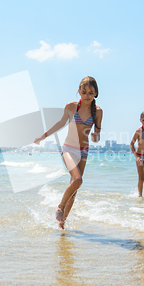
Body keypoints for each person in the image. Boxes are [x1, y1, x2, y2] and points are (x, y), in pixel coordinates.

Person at [34, 76, 103, 229]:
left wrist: (95, 137)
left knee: (74, 189)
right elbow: (60, 123)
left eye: (91, 92)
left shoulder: (98, 111)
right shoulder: (72, 107)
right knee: (77, 181)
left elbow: (97, 134)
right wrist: (43, 136)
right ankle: (60, 207)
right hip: (68, 149)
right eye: (84, 92)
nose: (87, 95)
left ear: (95, 94)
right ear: (79, 91)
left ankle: (62, 222)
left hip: (84, 151)